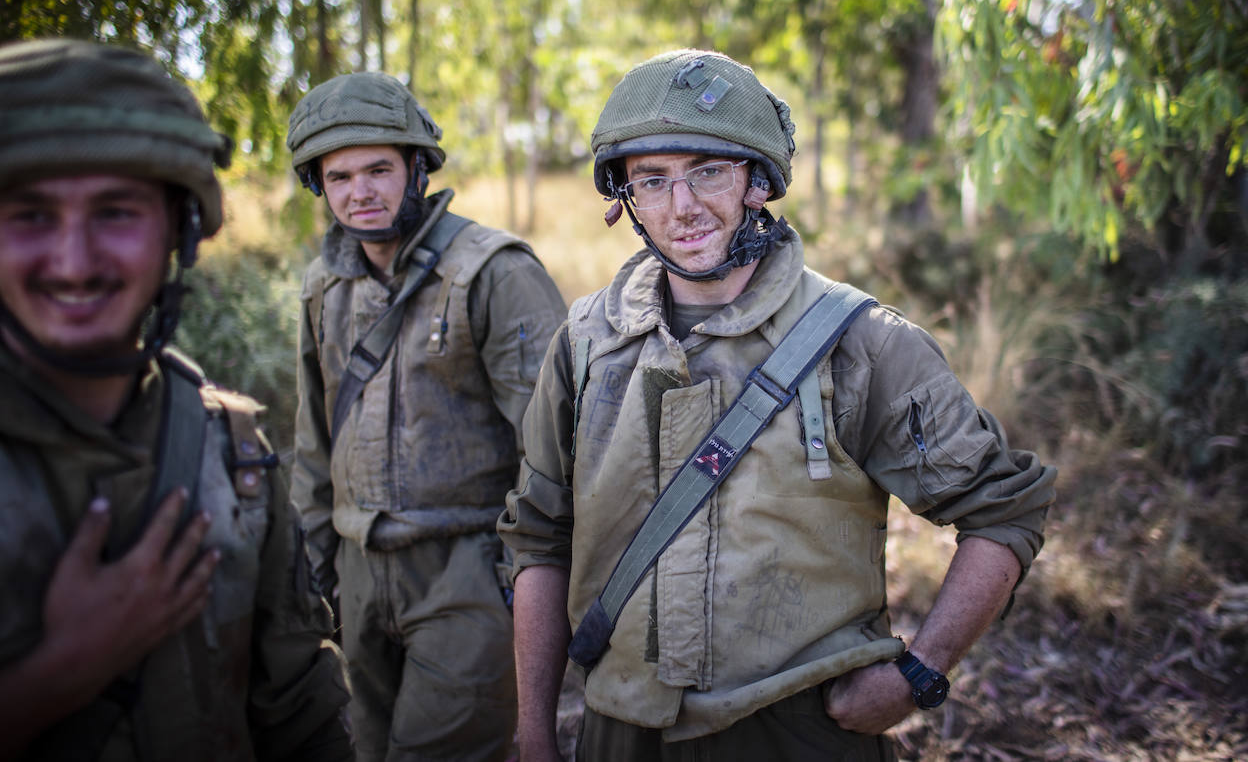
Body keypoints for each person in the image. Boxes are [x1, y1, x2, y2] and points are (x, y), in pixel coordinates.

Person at [498, 49, 1058, 761]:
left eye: (708, 172)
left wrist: (919, 673)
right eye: (653, 180)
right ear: (625, 198)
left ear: (755, 181)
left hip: (802, 731)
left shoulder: (861, 343)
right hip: (621, 730)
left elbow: (1004, 508)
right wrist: (536, 734)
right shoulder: (586, 344)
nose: (683, 206)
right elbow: (540, 539)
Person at [0, 38, 353, 761]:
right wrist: (60, 671)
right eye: (30, 215)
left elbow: (302, 714)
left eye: (116, 213)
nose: (73, 261)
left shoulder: (232, 454)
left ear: (179, 230)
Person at [288, 72, 567, 761]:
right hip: (360, 570)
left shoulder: (495, 272)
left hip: (468, 566)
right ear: (319, 188)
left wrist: (526, 583)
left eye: (379, 168)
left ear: (417, 168)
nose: (361, 191)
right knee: (371, 749)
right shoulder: (326, 286)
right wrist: (309, 577)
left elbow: (557, 450)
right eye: (340, 175)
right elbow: (313, 445)